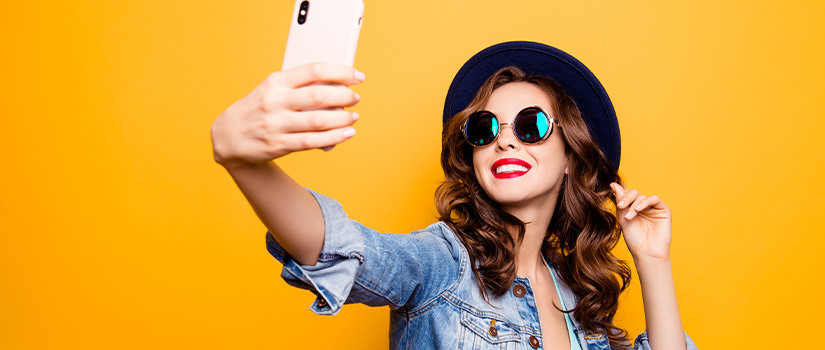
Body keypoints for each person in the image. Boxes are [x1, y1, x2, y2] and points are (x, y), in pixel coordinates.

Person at [211, 41, 698, 350]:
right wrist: (244, 162)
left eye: (531, 126)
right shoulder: (444, 261)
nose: (504, 140)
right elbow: (346, 250)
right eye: (485, 129)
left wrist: (653, 259)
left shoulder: (581, 298)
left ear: (570, 154)